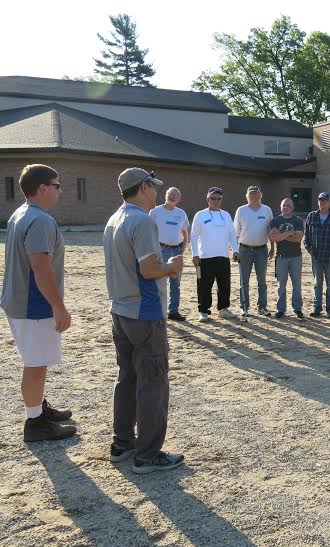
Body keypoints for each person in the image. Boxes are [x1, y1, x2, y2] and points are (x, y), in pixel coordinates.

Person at [103, 167, 185, 473]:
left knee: (128, 377)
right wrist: (172, 267)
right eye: (152, 186)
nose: (155, 191)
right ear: (143, 188)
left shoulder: (115, 219)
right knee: (153, 381)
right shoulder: (142, 221)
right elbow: (149, 269)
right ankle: (148, 454)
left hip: (121, 311)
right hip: (144, 312)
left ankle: (122, 443)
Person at [1, 164, 75, 442]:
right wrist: (59, 306)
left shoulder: (20, 214)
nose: (59, 190)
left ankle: (38, 409)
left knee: (37, 361)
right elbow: (40, 267)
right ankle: (34, 423)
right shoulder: (40, 220)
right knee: (35, 363)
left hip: (20, 301)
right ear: (43, 188)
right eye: (57, 185)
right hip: (34, 305)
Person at [190, 188, 239, 322]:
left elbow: (231, 234)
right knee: (204, 285)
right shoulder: (200, 215)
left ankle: (223, 309)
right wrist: (195, 254)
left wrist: (235, 250)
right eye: (213, 198)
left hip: (223, 256)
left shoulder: (226, 215)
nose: (216, 201)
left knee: (224, 284)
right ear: (207, 199)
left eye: (219, 198)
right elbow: (193, 236)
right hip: (205, 257)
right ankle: (203, 311)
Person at [149, 187, 189, 321]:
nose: (172, 197)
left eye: (175, 195)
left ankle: (173, 311)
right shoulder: (155, 212)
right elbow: (149, 231)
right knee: (159, 281)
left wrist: (182, 248)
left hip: (176, 250)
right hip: (161, 249)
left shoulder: (181, 213)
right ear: (165, 195)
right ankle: (158, 312)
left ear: (179, 199)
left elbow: (184, 232)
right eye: (170, 194)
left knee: (175, 282)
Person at [234, 185, 273, 318]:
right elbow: (236, 233)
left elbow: (271, 231)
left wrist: (272, 248)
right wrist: (235, 251)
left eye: (256, 194)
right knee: (243, 281)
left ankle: (262, 307)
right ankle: (244, 307)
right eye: (251, 194)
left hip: (262, 250)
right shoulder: (241, 210)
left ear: (261, 195)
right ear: (247, 196)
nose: (254, 196)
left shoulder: (267, 210)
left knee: (261, 280)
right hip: (244, 250)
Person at [304, 192, 330, 319]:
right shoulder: (311, 216)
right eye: (320, 201)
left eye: (325, 201)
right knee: (317, 283)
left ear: (329, 203)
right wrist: (309, 249)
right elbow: (307, 237)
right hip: (316, 257)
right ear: (318, 202)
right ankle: (317, 308)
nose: (322, 203)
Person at [269, 198, 305, 319]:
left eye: (288, 205)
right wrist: (289, 233)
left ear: (292, 207)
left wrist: (281, 235)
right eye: (284, 205)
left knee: (296, 285)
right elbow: (273, 237)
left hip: (296, 257)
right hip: (281, 257)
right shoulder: (275, 220)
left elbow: (298, 238)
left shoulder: (298, 220)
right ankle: (281, 309)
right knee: (281, 285)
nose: (286, 207)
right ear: (281, 207)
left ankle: (297, 309)